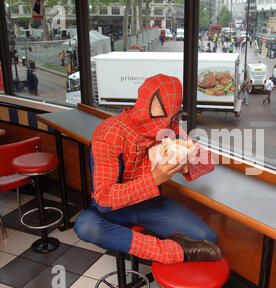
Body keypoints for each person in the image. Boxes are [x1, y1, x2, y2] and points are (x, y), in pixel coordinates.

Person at [74, 74, 221, 265]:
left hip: (149, 203)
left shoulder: (170, 128)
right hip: (111, 210)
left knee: (207, 237)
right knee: (86, 226)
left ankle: (166, 247)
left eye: (171, 115)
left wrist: (187, 160)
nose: (164, 123)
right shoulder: (110, 133)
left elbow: (207, 162)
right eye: (159, 112)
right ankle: (168, 251)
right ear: (144, 102)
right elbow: (103, 199)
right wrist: (154, 179)